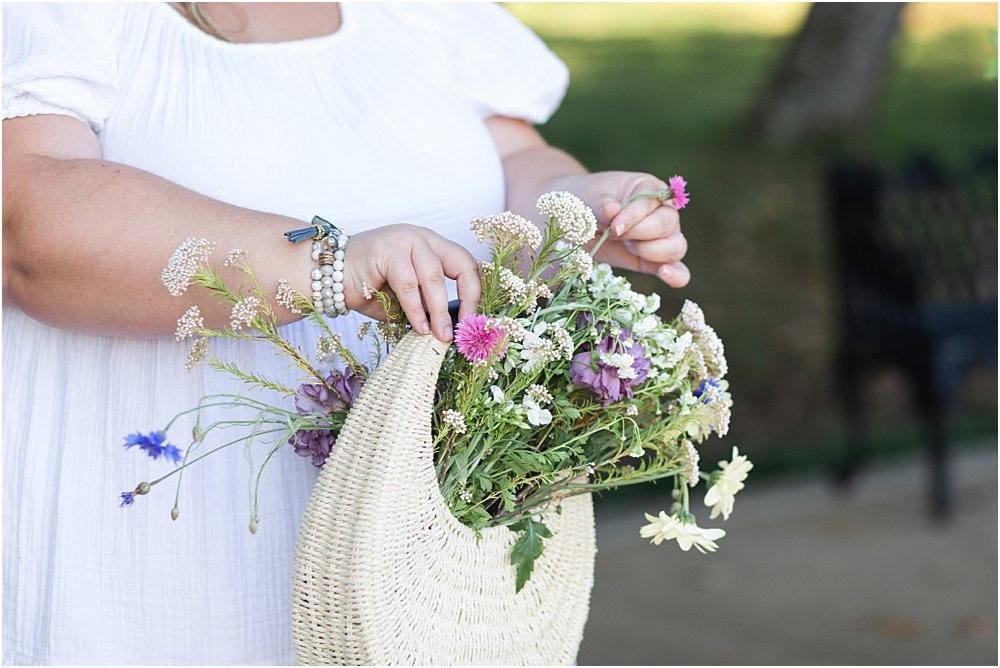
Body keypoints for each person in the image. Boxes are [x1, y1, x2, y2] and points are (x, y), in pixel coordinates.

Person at [1, 3, 690, 664]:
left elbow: (515, 160)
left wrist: (584, 201)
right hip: (163, 561)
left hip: (404, 574)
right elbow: (27, 225)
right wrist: (329, 265)